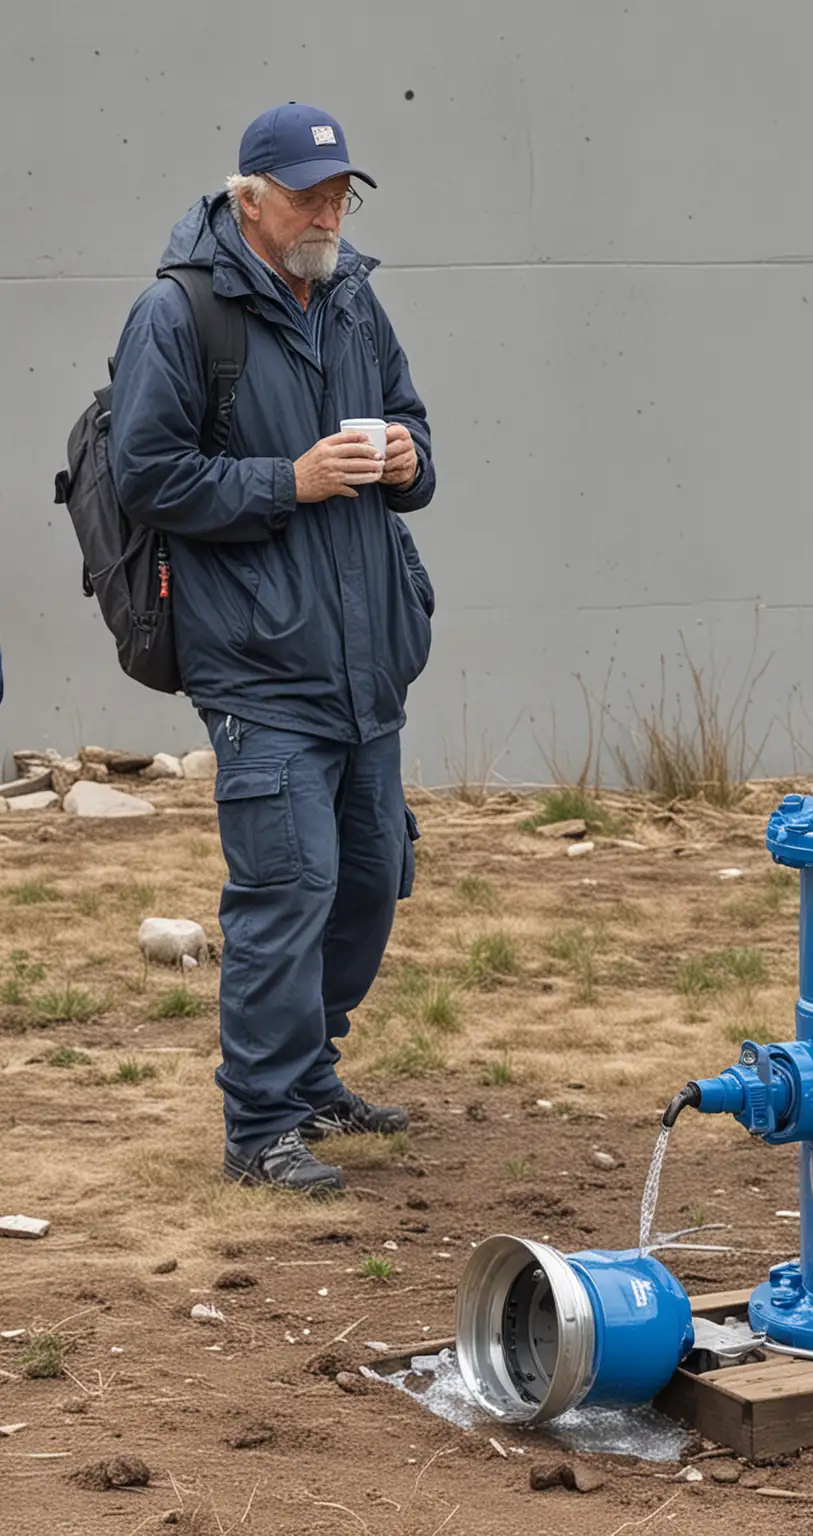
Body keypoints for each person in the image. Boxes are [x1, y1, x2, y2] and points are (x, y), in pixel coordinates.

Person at [109, 104, 437, 1195]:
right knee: (286, 889)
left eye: (343, 193)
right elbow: (145, 477)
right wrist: (281, 481)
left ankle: (307, 1077)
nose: (331, 212)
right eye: (309, 194)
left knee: (367, 881)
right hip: (258, 662)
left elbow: (418, 434)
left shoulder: (352, 296)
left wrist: (402, 457)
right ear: (249, 199)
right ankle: (258, 1128)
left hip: (366, 659)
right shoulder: (180, 312)